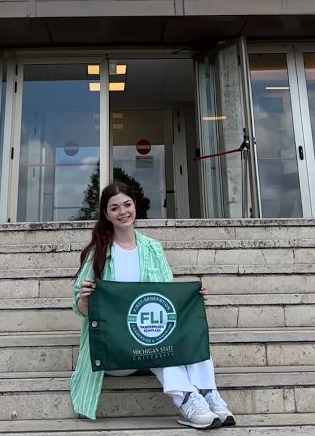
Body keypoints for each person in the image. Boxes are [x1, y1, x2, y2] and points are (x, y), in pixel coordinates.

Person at [70, 181, 236, 429]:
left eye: (127, 204)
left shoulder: (153, 249)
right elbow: (80, 309)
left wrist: (191, 297)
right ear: (106, 214)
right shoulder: (98, 253)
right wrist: (84, 301)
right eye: (114, 208)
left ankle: (209, 393)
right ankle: (188, 399)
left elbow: (168, 298)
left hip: (150, 335)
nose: (123, 211)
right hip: (115, 348)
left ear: (135, 206)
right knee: (154, 338)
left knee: (189, 330)